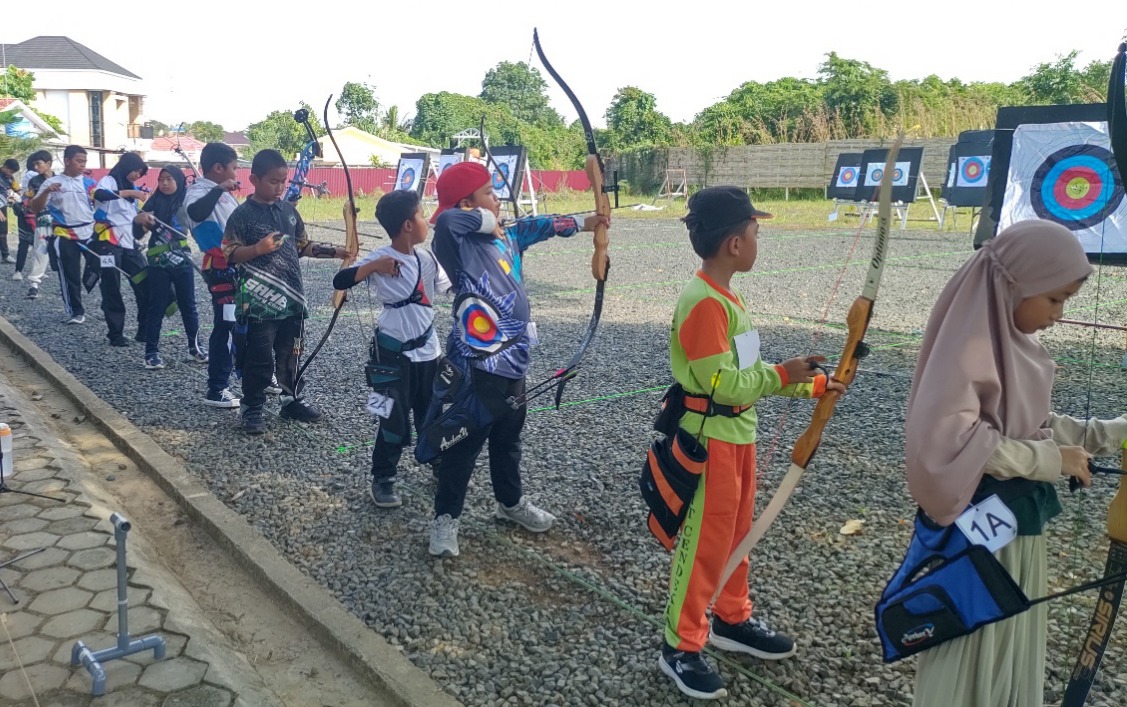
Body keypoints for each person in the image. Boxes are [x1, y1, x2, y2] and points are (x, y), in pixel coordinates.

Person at [905, 220, 1127, 707]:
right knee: (969, 651)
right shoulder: (966, 351)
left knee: (1008, 647)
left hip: (1015, 537)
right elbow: (952, 443)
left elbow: (1032, 429)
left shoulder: (1014, 347)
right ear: (1013, 285)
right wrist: (1052, 459)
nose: (1059, 314)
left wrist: (1113, 432)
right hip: (978, 541)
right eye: (1053, 299)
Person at [656, 186, 838, 700]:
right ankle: (680, 644)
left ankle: (731, 619)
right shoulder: (702, 304)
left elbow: (749, 371)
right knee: (704, 546)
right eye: (756, 232)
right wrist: (783, 375)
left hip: (737, 437)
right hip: (708, 442)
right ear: (734, 244)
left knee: (738, 536)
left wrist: (815, 385)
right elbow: (723, 385)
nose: (760, 240)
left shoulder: (727, 298)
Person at [419, 161, 609, 558]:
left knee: (508, 437)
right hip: (476, 360)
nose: (498, 200)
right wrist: (484, 219)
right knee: (464, 440)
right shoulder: (457, 240)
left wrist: (592, 222)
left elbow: (547, 224)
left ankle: (510, 502)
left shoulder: (509, 236)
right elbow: (450, 222)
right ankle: (445, 519)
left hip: (514, 358)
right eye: (489, 193)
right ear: (470, 203)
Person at [333, 189, 451, 508]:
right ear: (408, 225)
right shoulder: (380, 257)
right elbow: (340, 281)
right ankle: (383, 477)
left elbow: (451, 287)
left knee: (433, 412)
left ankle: (438, 461)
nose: (427, 221)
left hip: (429, 352)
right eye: (422, 215)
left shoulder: (427, 257)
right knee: (389, 415)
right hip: (390, 352)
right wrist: (373, 268)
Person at [221, 148, 350, 434]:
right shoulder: (241, 215)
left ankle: (291, 400)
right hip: (258, 301)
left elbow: (303, 245)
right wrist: (257, 249)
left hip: (291, 298)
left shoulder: (289, 212)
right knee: (259, 356)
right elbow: (228, 253)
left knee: (291, 352)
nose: (279, 187)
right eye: (273, 181)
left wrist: (337, 251)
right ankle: (252, 407)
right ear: (254, 179)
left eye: (283, 181)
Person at [184, 142, 242, 408]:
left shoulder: (225, 193)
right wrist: (218, 189)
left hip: (238, 268)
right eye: (233, 168)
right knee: (226, 327)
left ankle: (249, 376)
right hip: (221, 270)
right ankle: (216, 388)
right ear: (218, 168)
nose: (236, 173)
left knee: (244, 325)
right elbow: (194, 213)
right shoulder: (198, 191)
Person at [134, 166, 207, 369]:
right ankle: (151, 352)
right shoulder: (154, 201)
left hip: (182, 259)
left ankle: (195, 347)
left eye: (169, 179)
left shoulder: (187, 200)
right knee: (156, 306)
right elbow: (137, 234)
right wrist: (138, 219)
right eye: (161, 179)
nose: (164, 183)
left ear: (178, 180)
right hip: (158, 261)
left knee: (188, 305)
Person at [30, 145, 97, 324]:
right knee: (69, 275)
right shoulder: (52, 183)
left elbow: (101, 204)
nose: (82, 165)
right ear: (67, 161)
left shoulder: (89, 183)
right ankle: (76, 311)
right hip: (64, 233)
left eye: (84, 161)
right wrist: (46, 192)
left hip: (89, 232)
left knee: (102, 267)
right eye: (79, 161)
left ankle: (108, 304)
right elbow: (35, 207)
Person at [92, 152, 150, 346]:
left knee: (144, 283)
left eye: (140, 173)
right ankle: (115, 333)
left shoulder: (131, 187)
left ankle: (144, 329)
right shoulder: (109, 180)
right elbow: (99, 195)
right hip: (108, 243)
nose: (137, 176)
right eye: (135, 171)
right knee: (111, 287)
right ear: (126, 167)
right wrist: (131, 193)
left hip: (129, 243)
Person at [17, 152, 54, 299]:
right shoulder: (34, 181)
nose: (36, 167)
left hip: (62, 221)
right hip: (44, 219)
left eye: (38, 163)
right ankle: (34, 284)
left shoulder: (61, 179)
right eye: (34, 164)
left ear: (49, 163)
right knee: (41, 250)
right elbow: (29, 200)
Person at [0, 157, 19, 263]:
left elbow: (17, 188)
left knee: (3, 230)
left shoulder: (10, 177)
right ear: (5, 167)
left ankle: (5, 255)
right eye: (10, 171)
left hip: (3, 204)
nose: (10, 174)